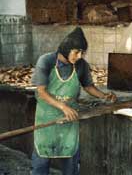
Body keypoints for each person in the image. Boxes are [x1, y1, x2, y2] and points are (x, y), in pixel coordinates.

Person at [31, 27, 117, 175]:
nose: (79, 56)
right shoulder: (46, 61)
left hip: (70, 118)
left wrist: (104, 96)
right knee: (42, 159)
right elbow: (41, 91)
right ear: (66, 48)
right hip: (47, 117)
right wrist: (62, 107)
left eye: (82, 53)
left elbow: (88, 86)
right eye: (76, 52)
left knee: (70, 158)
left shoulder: (81, 65)